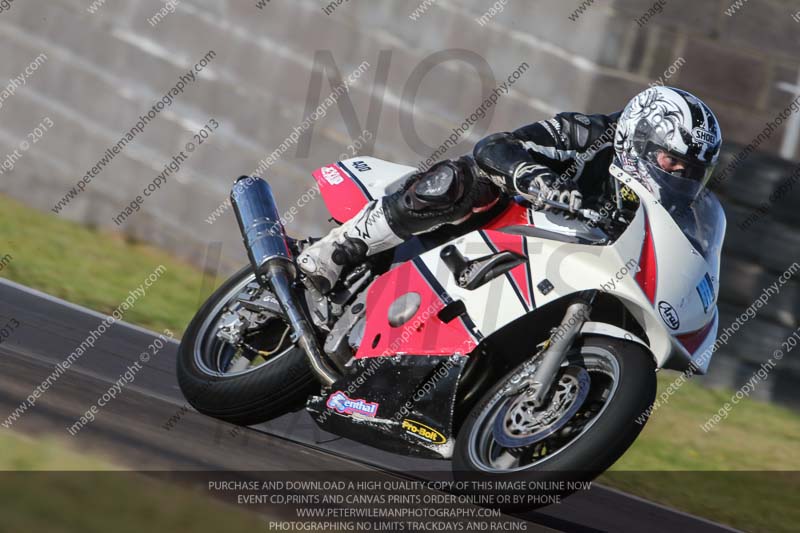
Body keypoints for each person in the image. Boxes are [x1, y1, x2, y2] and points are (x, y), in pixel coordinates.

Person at [298, 86, 722, 294]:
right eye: (672, 160)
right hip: (505, 222)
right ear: (640, 138)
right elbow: (497, 147)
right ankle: (340, 247)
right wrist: (536, 179)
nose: (680, 174)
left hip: (562, 268)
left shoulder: (671, 206)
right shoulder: (589, 135)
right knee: (469, 180)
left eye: (692, 170)